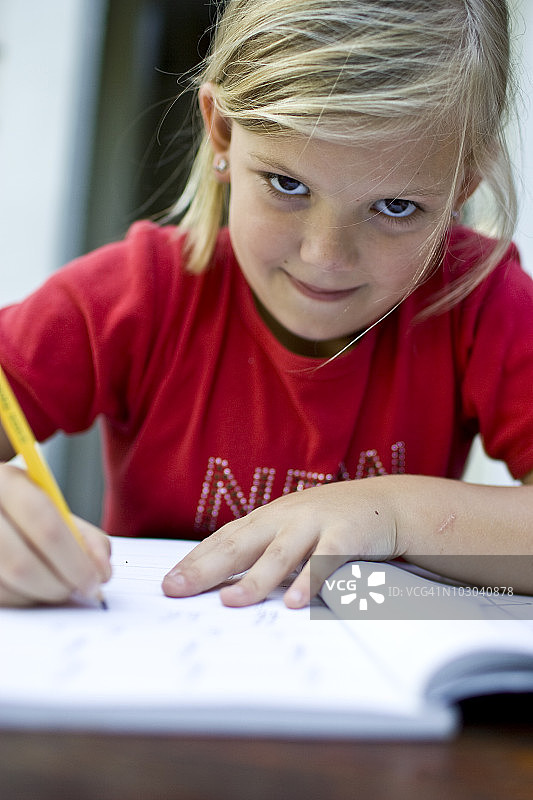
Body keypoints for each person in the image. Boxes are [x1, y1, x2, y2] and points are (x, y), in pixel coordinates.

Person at [1, 0, 532, 608]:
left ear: (463, 183)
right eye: (288, 185)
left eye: (395, 207)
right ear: (222, 131)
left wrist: (394, 514)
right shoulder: (134, 296)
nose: (324, 256)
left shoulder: (479, 301)